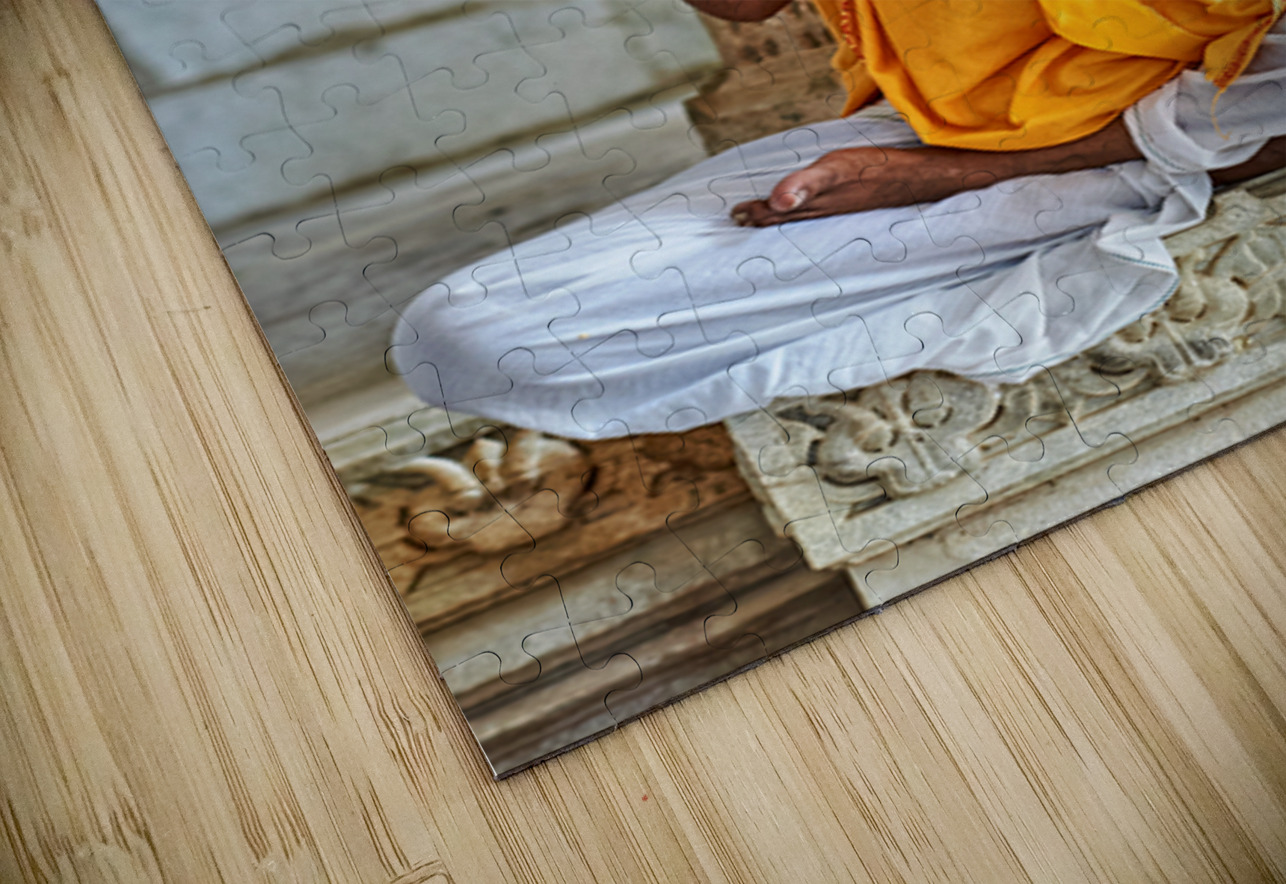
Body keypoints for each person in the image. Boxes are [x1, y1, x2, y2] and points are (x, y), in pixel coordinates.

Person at [389, 0, 1286, 440]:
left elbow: (1259, 107)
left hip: (1108, 161)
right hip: (935, 145)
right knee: (463, 333)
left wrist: (930, 175)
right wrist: (911, 163)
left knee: (482, 337)